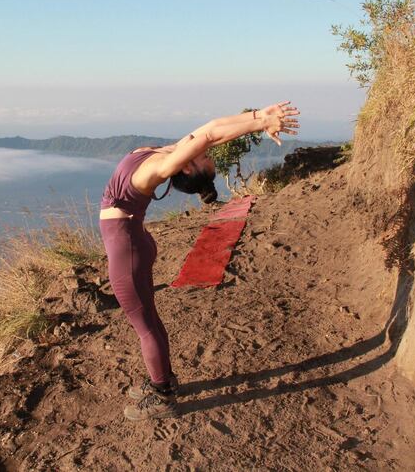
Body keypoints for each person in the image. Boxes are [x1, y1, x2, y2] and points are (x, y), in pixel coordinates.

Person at [99, 101, 300, 421]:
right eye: (206, 156)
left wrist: (259, 122)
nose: (205, 152)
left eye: (202, 157)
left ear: (189, 167)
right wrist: (259, 117)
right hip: (132, 241)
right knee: (148, 317)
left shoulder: (159, 168)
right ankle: (162, 378)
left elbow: (207, 136)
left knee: (145, 326)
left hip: (128, 248)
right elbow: (211, 134)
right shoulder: (168, 154)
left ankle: (162, 394)